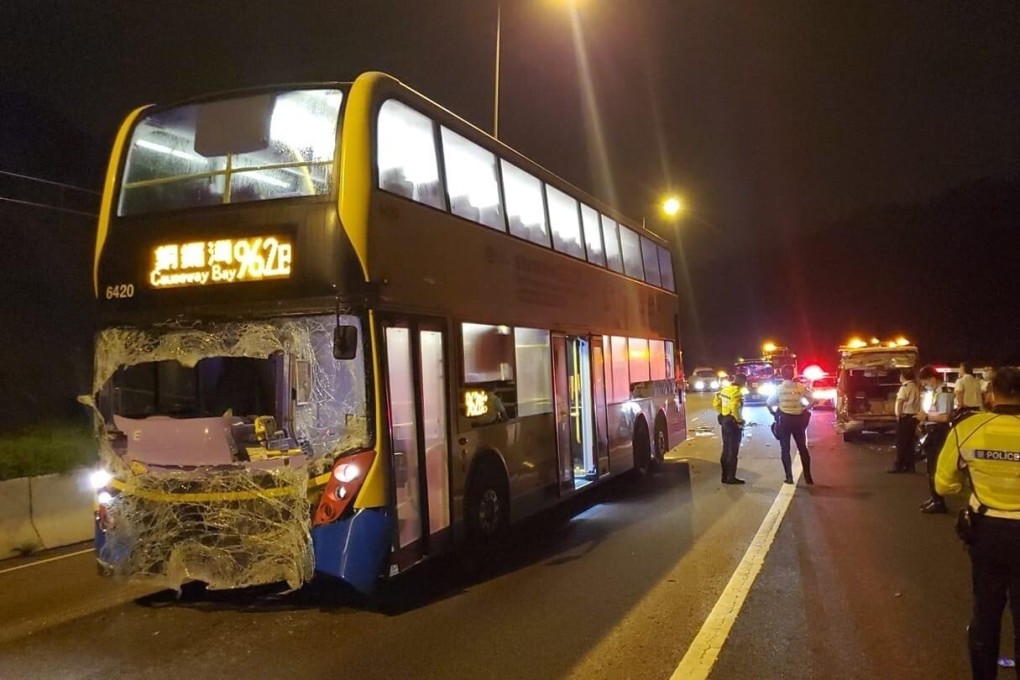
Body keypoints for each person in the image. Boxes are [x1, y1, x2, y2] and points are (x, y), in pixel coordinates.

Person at [935, 366, 1020, 680]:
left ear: (991, 393)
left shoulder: (968, 428)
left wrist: (973, 489)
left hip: (988, 534)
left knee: (986, 614)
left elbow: (944, 486)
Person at [916, 364, 955, 513]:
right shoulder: (936, 391)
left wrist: (926, 417)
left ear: (932, 379)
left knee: (934, 467)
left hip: (938, 431)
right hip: (932, 430)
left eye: (926, 382)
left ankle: (939, 502)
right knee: (930, 467)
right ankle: (935, 498)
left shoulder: (943, 392)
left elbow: (944, 417)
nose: (925, 386)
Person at [767, 364, 814, 485]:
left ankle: (789, 477)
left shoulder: (779, 388)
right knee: (802, 448)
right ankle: (808, 477)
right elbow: (813, 400)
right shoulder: (800, 387)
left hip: (785, 421)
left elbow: (769, 403)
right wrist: (804, 409)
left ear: (782, 375)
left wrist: (773, 413)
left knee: (785, 449)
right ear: (793, 374)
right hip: (798, 421)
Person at [713, 373, 747, 485]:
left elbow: (716, 403)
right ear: (743, 382)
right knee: (733, 451)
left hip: (725, 420)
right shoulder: (737, 392)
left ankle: (724, 476)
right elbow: (734, 406)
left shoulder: (725, 390)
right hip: (733, 422)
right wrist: (739, 420)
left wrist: (723, 413)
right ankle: (731, 477)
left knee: (726, 448)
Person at [890, 368, 921, 473]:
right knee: (910, 443)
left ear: (903, 377)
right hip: (914, 417)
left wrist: (898, 415)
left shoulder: (904, 388)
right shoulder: (915, 387)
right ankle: (910, 466)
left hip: (905, 417)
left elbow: (900, 401)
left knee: (901, 443)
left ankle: (899, 465)